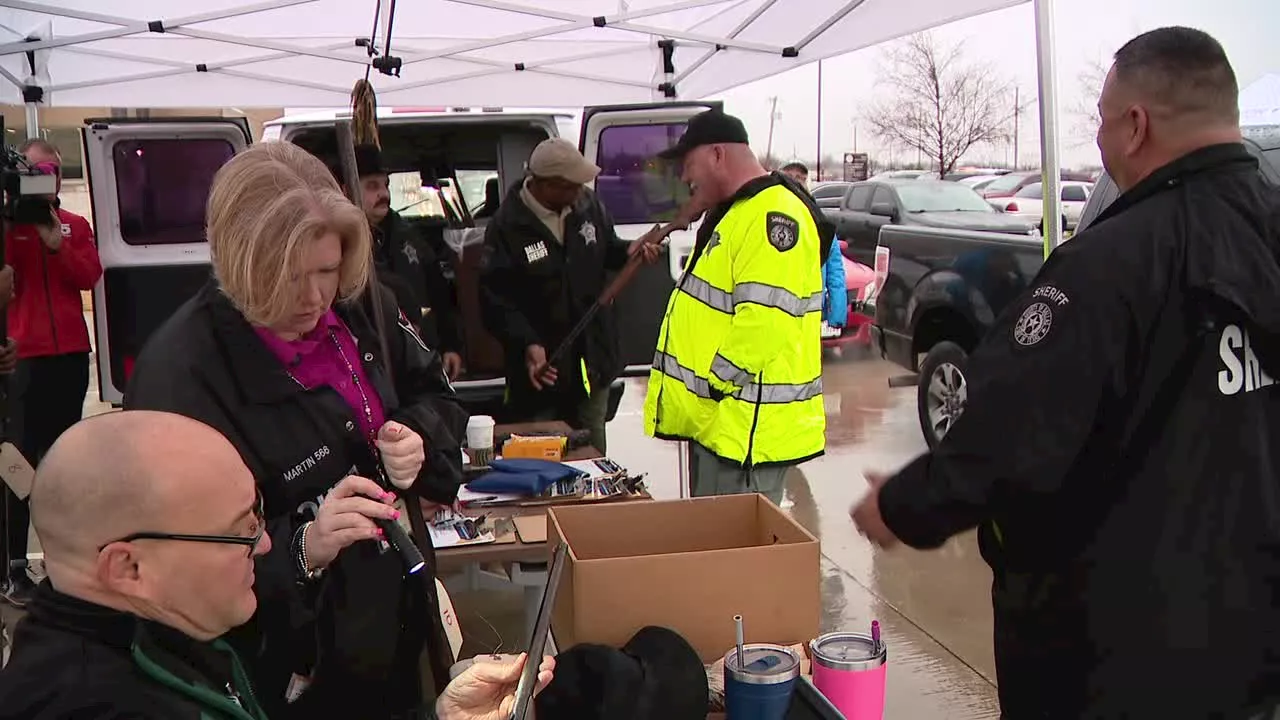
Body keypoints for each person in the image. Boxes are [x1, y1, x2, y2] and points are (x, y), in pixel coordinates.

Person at [850, 27, 1280, 719]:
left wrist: (903, 505)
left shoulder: (1112, 266)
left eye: (1104, 124)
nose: (1102, 143)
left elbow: (1010, 435)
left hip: (1117, 657)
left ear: (1135, 126)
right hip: (1254, 647)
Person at [123, 141, 470, 719]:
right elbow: (172, 569)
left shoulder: (363, 305)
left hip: (394, 621)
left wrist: (416, 434)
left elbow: (437, 392)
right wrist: (305, 546)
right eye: (289, 278)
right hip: (286, 672)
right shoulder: (180, 375)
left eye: (328, 271)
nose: (315, 298)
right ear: (241, 265)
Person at [0, 410, 555, 720]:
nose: (265, 546)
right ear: (128, 567)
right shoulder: (87, 704)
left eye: (259, 517)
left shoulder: (155, 631)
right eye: (240, 531)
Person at [644, 110, 833, 504]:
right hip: (723, 427)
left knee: (733, 560)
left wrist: (713, 387)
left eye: (688, 164)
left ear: (716, 155)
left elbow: (764, 323)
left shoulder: (772, 216)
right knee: (715, 554)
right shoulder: (738, 210)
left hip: (745, 436)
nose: (684, 178)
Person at [480, 138, 658, 453]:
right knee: (544, 449)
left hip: (593, 359)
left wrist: (632, 250)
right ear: (545, 185)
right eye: (571, 186)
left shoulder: (589, 205)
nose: (580, 192)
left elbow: (610, 252)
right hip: (541, 372)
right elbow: (495, 302)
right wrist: (528, 344)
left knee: (592, 446)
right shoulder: (506, 226)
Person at [1, 137, 102, 607]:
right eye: (36, 171)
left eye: (51, 172)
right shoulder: (8, 228)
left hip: (69, 356)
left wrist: (56, 242)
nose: (45, 180)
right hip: (25, 359)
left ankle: (65, 561)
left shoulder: (74, 225)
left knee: (63, 459)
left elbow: (89, 275)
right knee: (18, 462)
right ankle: (14, 566)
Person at [349, 143, 465, 380]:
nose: (385, 194)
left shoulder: (408, 235)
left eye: (386, 185)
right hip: (374, 365)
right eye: (372, 186)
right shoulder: (341, 245)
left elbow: (438, 292)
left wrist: (450, 345)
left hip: (423, 357)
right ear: (347, 189)